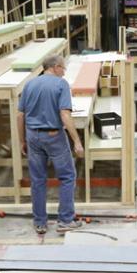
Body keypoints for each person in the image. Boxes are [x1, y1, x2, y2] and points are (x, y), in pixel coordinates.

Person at [17, 55, 84, 234]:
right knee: (67, 176)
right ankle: (65, 220)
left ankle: (40, 222)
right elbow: (64, 115)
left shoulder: (30, 84)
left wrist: (22, 140)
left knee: (38, 180)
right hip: (53, 135)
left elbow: (20, 115)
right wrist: (77, 141)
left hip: (33, 136)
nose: (64, 73)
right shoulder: (61, 85)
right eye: (63, 69)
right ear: (55, 67)